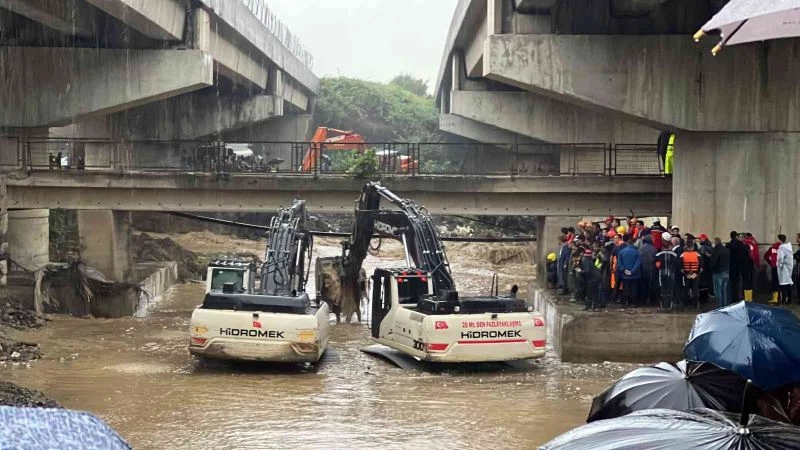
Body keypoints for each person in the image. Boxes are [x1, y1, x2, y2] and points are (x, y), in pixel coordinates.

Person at [616, 234, 642, 307]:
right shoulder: (637, 252)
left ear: (627, 243)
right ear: (633, 243)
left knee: (626, 289)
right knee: (634, 289)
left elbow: (619, 263)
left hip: (625, 275)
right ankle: (634, 303)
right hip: (635, 274)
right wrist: (632, 271)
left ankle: (626, 302)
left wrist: (624, 270)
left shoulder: (621, 252)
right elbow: (638, 262)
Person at [726, 231, 750, 302]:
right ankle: (741, 297)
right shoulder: (743, 245)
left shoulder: (728, 245)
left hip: (731, 266)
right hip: (741, 266)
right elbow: (746, 256)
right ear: (736, 236)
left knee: (732, 283)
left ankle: (732, 298)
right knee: (740, 282)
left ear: (730, 236)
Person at [656, 242, 680, 310]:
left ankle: (663, 305)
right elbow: (677, 265)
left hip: (662, 273)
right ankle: (670, 305)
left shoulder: (658, 254)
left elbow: (656, 265)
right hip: (671, 274)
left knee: (662, 290)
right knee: (670, 290)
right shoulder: (674, 254)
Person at [680, 237, 703, 310]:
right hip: (695, 275)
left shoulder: (682, 255)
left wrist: (686, 275)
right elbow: (701, 267)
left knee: (685, 291)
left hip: (686, 275)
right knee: (695, 291)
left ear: (686, 246)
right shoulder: (698, 255)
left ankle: (685, 305)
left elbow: (680, 267)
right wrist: (695, 274)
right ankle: (695, 305)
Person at [710, 237, 730, 308]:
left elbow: (713, 262)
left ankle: (719, 307)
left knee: (718, 291)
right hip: (726, 272)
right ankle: (724, 306)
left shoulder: (715, 250)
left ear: (715, 242)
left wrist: (711, 267)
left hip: (718, 273)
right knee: (724, 291)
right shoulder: (726, 250)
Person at [639, 234, 657, 306]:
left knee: (643, 286)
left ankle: (643, 301)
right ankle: (652, 301)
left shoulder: (641, 248)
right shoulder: (654, 249)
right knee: (651, 286)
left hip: (642, 269)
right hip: (651, 269)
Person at [777, 234, 794, 305]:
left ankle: (784, 299)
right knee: (788, 283)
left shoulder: (782, 248)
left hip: (784, 268)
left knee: (783, 284)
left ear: (780, 240)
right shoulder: (789, 247)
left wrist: (779, 265)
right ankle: (789, 299)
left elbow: (780, 258)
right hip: (789, 267)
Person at [742, 233, 759, 300]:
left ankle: (745, 297)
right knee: (750, 281)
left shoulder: (745, 243)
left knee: (745, 280)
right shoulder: (754, 243)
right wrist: (757, 264)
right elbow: (756, 254)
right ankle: (749, 297)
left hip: (745, 263)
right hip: (752, 263)